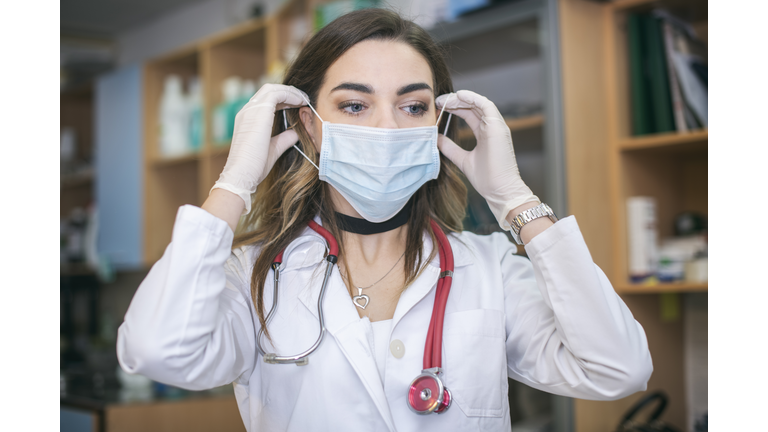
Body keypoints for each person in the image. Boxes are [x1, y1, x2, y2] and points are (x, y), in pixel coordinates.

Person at [117, 8, 652, 432]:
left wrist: (516, 200)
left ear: (437, 124)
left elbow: (618, 369)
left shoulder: (488, 269)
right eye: (354, 106)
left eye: (413, 107)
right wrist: (234, 184)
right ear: (308, 124)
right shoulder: (254, 276)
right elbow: (157, 351)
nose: (388, 128)